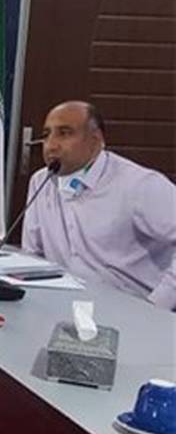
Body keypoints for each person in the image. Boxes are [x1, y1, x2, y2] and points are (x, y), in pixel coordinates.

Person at [22, 100, 175, 310]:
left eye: (64, 133)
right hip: (63, 308)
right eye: (47, 135)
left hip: (132, 310)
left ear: (95, 140)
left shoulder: (140, 184)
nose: (51, 145)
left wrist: (156, 307)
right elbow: (31, 255)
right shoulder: (41, 182)